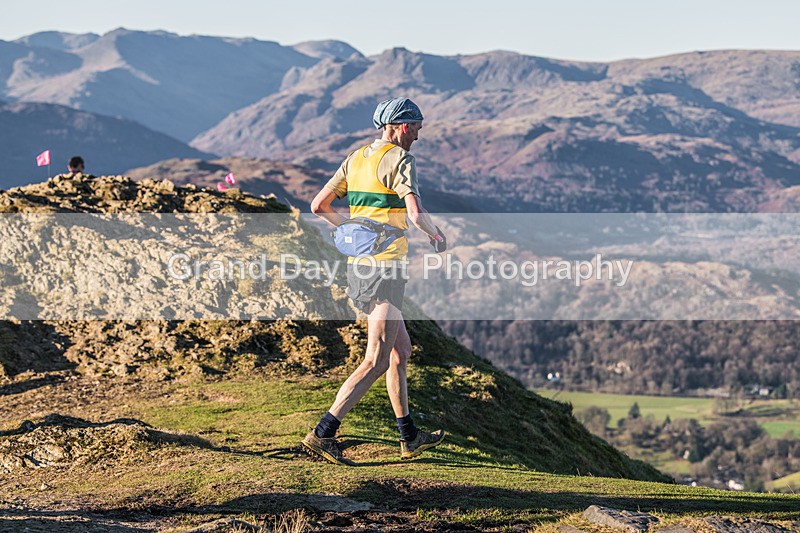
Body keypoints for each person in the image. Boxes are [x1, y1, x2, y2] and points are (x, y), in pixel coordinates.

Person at [304, 97, 448, 465]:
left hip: (362, 266)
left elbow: (319, 205)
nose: (418, 134)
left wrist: (354, 230)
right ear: (401, 126)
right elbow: (414, 213)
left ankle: (409, 436)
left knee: (402, 352)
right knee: (376, 359)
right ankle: (324, 432)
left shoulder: (356, 158)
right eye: (416, 126)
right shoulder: (401, 160)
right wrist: (436, 236)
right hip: (385, 270)